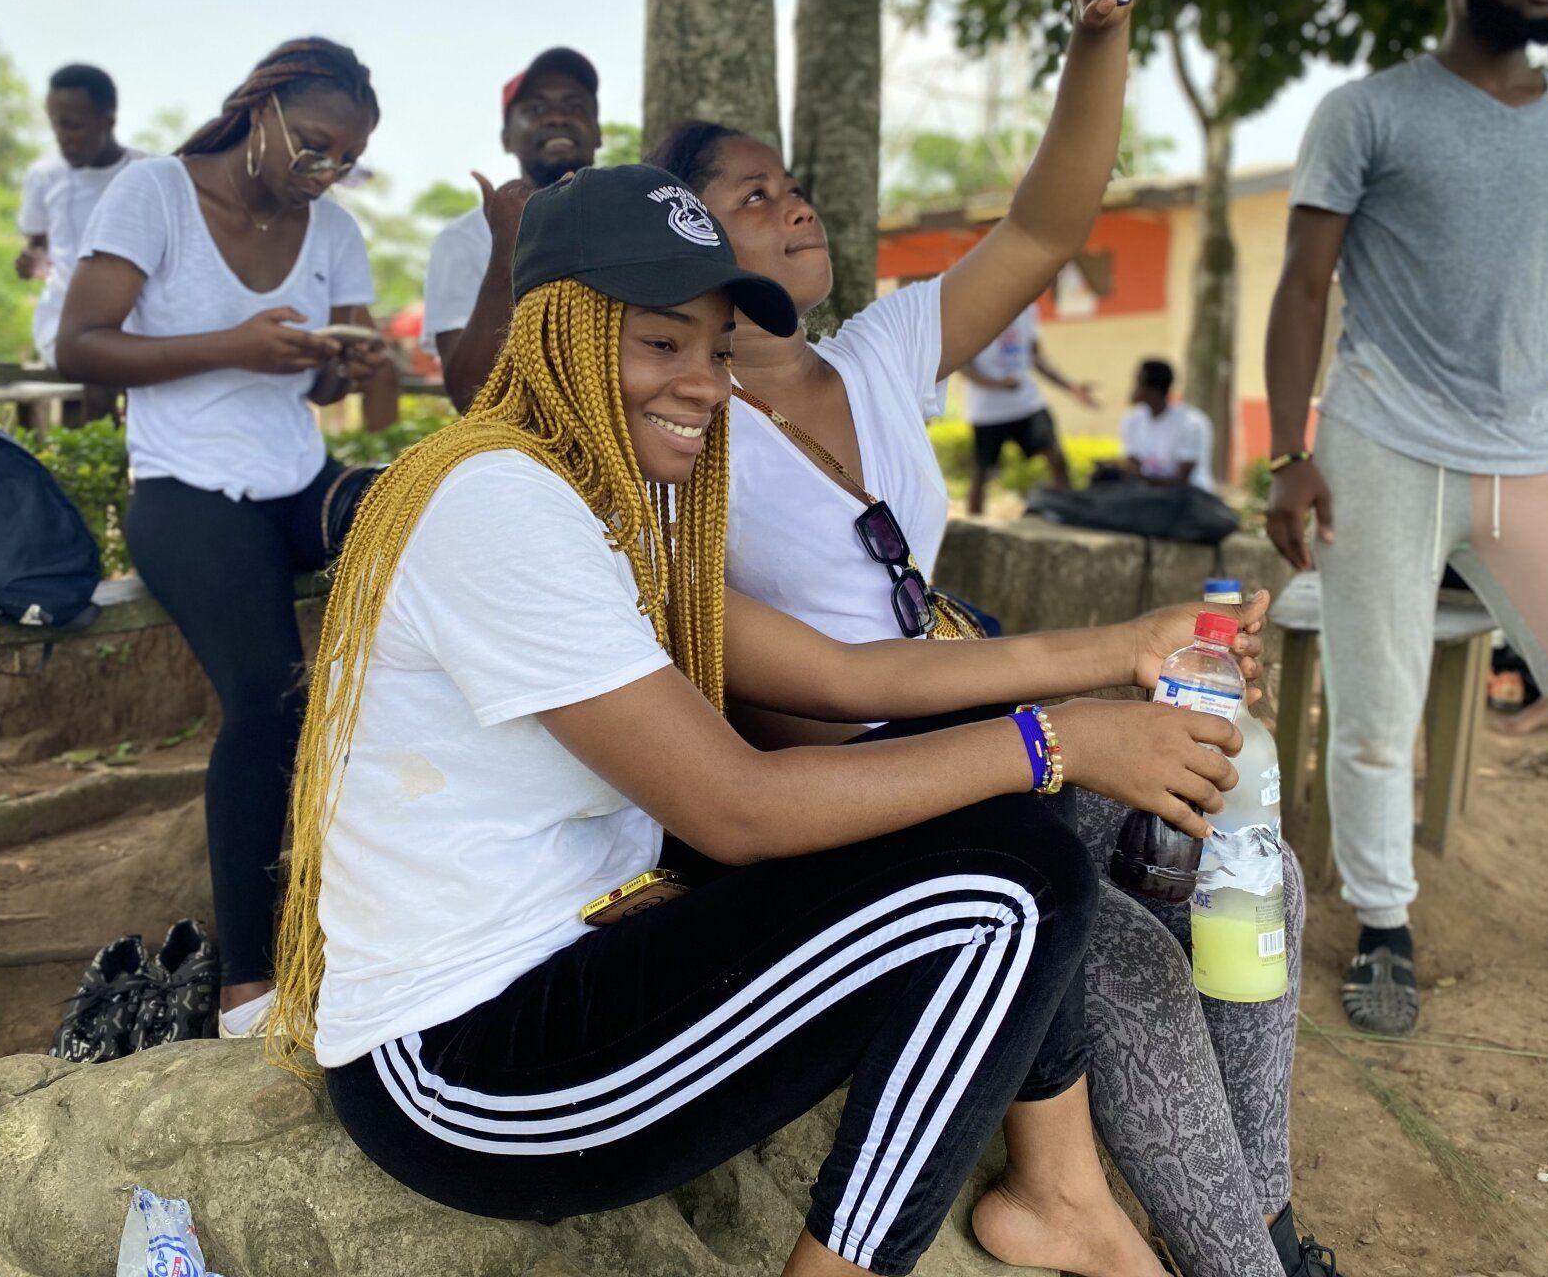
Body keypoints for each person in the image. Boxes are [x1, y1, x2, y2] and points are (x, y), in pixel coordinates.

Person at [271, 162, 1253, 1277]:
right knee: (1011, 888)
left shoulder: (597, 507)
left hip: (580, 948)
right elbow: (736, 809)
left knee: (975, 806)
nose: (705, 383)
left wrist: (1125, 652)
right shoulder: (499, 502)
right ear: (562, 336)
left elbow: (850, 676)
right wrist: (1056, 739)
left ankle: (1060, 1196)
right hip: (468, 1069)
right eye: (661, 343)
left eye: (720, 350)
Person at [646, 0, 1339, 1277]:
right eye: (751, 192)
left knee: (1235, 848)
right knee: (1126, 964)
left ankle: (1257, 1216)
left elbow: (1044, 222)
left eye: (796, 182)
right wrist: (1090, 680)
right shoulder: (671, 419)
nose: (795, 202)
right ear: (678, 239)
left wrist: (1101, 35)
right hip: (861, 779)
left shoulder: (883, 350)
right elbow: (790, 696)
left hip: (973, 707)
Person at [1265, 0, 1548, 1035]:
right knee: (1376, 707)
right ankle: (1384, 925)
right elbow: (1303, 286)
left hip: (1540, 452)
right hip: (1386, 442)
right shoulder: (1369, 112)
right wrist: (1294, 449)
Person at [56, 37, 394, 1038]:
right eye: (317, 145)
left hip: (295, 483)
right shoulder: (154, 195)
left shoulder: (330, 227)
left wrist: (340, 362)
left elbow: (342, 380)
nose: (326, 171)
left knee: (416, 503)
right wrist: (238, 346)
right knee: (269, 694)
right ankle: (253, 981)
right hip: (187, 493)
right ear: (265, 109)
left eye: (347, 158)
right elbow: (81, 349)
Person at [425, 46, 601, 409]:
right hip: (517, 454)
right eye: (535, 108)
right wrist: (508, 245)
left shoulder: (636, 221)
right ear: (506, 138)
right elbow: (468, 397)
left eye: (575, 106)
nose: (556, 117)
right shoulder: (463, 241)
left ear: (597, 131)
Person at [16, 64, 145, 371]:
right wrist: (31, 262)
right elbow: (37, 249)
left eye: (73, 126)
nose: (62, 138)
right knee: (95, 362)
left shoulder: (148, 173)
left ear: (108, 121)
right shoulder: (44, 176)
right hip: (62, 323)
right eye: (55, 125)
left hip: (139, 322)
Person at [959, 297, 1097, 511]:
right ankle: (972, 531)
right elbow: (961, 363)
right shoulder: (973, 311)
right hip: (988, 411)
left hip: (1027, 404)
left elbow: (1036, 358)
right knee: (982, 473)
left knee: (1056, 458)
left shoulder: (1028, 310)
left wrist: (1070, 387)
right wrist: (996, 384)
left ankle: (1067, 512)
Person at [1120, 359, 1214, 490]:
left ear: (1153, 391)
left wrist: (1139, 477)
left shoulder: (1191, 423)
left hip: (1190, 500)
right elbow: (1133, 464)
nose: (1134, 388)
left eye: (1138, 383)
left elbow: (1182, 480)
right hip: (1152, 496)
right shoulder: (1132, 420)